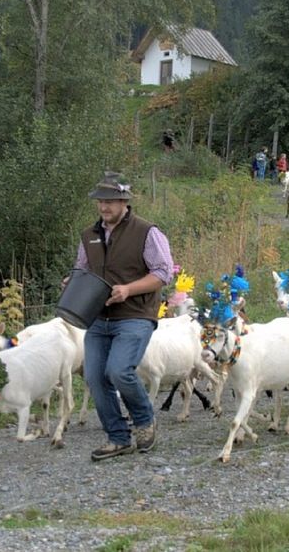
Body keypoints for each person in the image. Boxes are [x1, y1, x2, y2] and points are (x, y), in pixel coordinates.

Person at [72, 171, 174, 461]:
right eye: (101, 202)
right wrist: (73, 282)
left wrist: (128, 289)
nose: (105, 207)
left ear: (124, 202)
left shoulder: (146, 232)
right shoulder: (89, 236)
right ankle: (118, 438)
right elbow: (82, 269)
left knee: (118, 370)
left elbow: (162, 273)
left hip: (135, 314)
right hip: (97, 316)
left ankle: (144, 421)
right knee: (94, 376)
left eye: (111, 201)